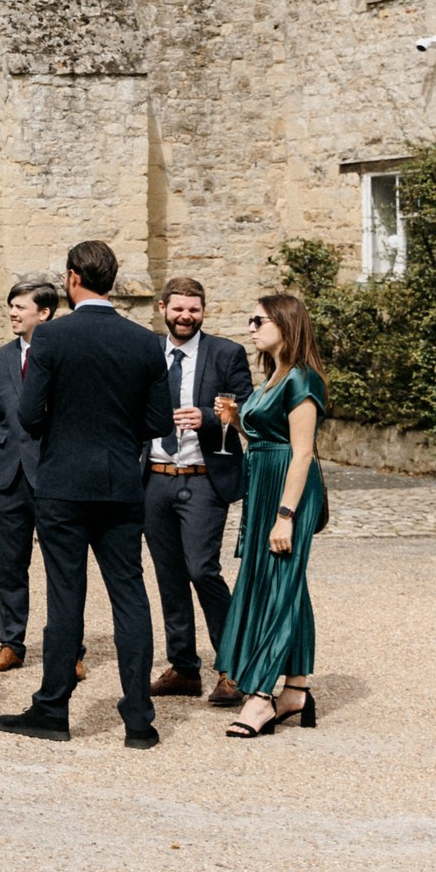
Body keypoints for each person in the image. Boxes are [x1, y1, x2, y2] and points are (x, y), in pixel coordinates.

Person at [0, 240, 174, 749]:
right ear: (112, 280)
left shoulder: (51, 339)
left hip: (62, 485)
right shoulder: (144, 342)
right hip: (120, 482)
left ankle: (53, 709)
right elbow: (159, 421)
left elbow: (29, 417)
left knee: (65, 594)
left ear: (73, 278)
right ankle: (139, 718)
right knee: (130, 595)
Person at [217, 292, 329, 739]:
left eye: (259, 320)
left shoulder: (304, 379)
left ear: (285, 323)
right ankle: (296, 690)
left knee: (277, 584)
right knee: (284, 583)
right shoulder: (274, 376)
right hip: (264, 484)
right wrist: (239, 420)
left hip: (289, 492)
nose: (251, 327)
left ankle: (260, 696)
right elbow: (266, 436)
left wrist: (285, 515)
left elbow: (301, 453)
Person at [145, 276, 254, 707]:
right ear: (162, 308)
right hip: (153, 477)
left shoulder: (226, 352)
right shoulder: (147, 351)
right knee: (168, 575)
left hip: (204, 475)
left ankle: (232, 667)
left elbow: (246, 410)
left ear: (203, 310)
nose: (186, 316)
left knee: (202, 569)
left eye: (194, 309)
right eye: (178, 309)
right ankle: (184, 667)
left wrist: (209, 419)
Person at [0, 278, 61, 674]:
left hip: (54, 472)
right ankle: (11, 643)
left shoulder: (63, 353)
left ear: (44, 313)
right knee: (10, 565)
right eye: (11, 305)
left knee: (63, 566)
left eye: (20, 307)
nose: (12, 312)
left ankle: (68, 650)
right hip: (6, 476)